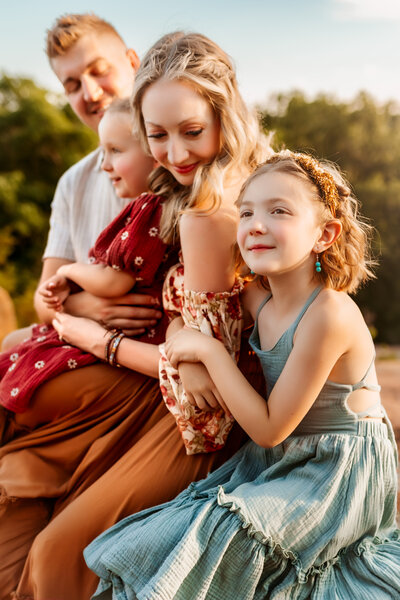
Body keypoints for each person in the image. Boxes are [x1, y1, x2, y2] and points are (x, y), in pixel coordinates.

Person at [3, 32, 270, 599]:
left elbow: (208, 368)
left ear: (225, 115)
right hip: (173, 397)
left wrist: (102, 338)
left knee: (60, 552)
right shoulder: (176, 195)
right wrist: (167, 332)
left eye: (192, 131)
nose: (174, 153)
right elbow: (186, 323)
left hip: (199, 425)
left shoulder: (215, 209)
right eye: (159, 137)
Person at [85, 151, 400, 599]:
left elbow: (270, 429)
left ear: (324, 234)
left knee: (215, 532)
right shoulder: (259, 298)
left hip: (335, 471)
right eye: (246, 211)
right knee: (164, 533)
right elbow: (183, 310)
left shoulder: (329, 313)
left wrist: (210, 352)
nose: (255, 224)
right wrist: (184, 340)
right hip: (284, 459)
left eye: (279, 211)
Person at [0, 98, 176, 414]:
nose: (104, 164)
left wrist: (70, 272)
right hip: (129, 332)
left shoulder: (150, 211)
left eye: (115, 151)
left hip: (133, 339)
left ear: (155, 156)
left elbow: (113, 282)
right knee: (17, 347)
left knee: (24, 363)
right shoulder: (152, 207)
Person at [1, 13, 161, 352]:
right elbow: (45, 296)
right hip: (91, 337)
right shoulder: (73, 183)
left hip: (152, 344)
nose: (89, 92)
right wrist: (85, 306)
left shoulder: (176, 158)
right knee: (11, 347)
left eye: (99, 70)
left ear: (133, 63)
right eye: (72, 85)